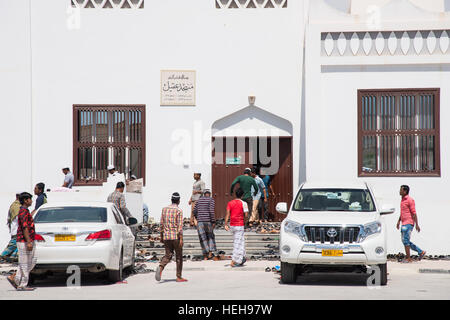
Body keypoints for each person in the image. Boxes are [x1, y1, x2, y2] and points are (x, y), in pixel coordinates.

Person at [7, 192, 37, 291]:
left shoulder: (25, 211)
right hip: (24, 241)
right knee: (25, 263)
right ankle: (22, 284)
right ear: (25, 200)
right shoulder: (23, 212)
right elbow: (25, 227)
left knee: (30, 261)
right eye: (30, 199)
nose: (31, 201)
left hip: (27, 240)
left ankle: (15, 279)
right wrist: (28, 242)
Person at [155, 192, 187, 283]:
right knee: (179, 256)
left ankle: (160, 267)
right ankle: (179, 276)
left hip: (166, 236)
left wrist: (161, 236)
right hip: (175, 237)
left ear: (171, 199)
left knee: (168, 255)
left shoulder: (164, 209)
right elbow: (180, 227)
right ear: (179, 201)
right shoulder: (179, 211)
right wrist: (181, 239)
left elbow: (161, 224)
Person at [396, 185, 426, 263]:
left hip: (408, 223)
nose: (399, 191)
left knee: (405, 241)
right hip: (404, 223)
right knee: (405, 241)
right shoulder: (402, 200)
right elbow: (403, 212)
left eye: (401, 190)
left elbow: (414, 213)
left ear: (405, 191)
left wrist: (417, 224)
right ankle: (421, 252)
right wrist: (399, 221)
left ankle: (408, 258)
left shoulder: (410, 200)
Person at [224, 188, 249, 267]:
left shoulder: (230, 203)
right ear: (242, 195)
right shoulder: (244, 203)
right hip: (240, 225)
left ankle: (242, 258)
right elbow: (246, 215)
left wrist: (225, 224)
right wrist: (245, 222)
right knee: (238, 243)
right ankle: (234, 260)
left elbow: (227, 214)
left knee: (238, 242)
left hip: (232, 225)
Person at [193, 189, 216, 260]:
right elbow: (211, 211)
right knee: (210, 237)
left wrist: (198, 218)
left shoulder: (198, 200)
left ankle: (205, 255)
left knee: (203, 238)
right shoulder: (211, 200)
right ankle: (210, 253)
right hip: (208, 221)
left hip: (200, 222)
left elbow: (194, 211)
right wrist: (213, 221)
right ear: (209, 194)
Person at [0, 192, 21, 263]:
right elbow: (19, 219)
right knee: (12, 245)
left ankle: (13, 257)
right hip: (16, 230)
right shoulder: (16, 206)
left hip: (17, 230)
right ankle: (2, 256)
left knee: (19, 245)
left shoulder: (17, 205)